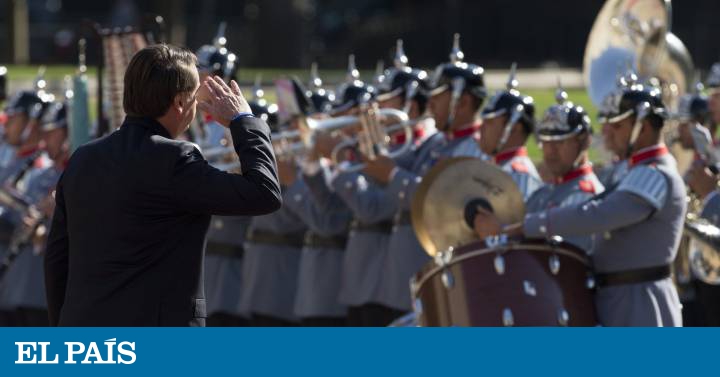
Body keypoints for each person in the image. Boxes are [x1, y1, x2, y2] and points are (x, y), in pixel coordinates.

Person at [43, 44, 281, 327]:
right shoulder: (175, 159)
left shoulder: (84, 158)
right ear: (180, 102)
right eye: (194, 97)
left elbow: (57, 257)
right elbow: (264, 193)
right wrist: (244, 121)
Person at [476, 82, 685, 326]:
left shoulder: (655, 172)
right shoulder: (638, 170)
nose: (607, 132)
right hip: (620, 297)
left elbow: (599, 215)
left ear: (645, 126)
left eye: (617, 126)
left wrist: (527, 226)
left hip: (639, 301)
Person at [361, 34, 486, 317]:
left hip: (441, 266)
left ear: (462, 102)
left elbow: (445, 199)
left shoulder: (473, 148)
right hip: (408, 265)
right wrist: (372, 145)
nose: (430, 106)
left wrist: (391, 173)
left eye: (439, 98)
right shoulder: (438, 142)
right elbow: (392, 165)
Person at [0, 100, 70, 326]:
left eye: (52, 134)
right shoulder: (40, 175)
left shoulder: (79, 177)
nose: (45, 140)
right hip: (16, 290)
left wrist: (47, 228)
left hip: (45, 295)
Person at [521, 90, 604, 253]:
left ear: (584, 142)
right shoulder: (542, 193)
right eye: (545, 142)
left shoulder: (589, 195)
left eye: (560, 142)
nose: (550, 151)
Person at [477, 64, 542, 200]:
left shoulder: (519, 175)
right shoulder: (500, 167)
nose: (480, 128)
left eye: (489, 123)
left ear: (514, 128)